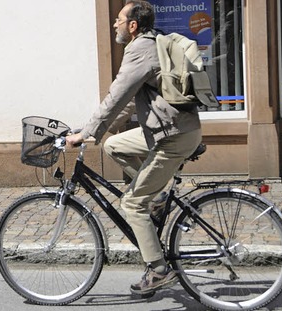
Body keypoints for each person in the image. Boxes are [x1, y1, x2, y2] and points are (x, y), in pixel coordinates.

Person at [65, 0, 202, 295]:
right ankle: (157, 196)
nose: (114, 23)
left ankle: (158, 270)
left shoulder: (139, 49)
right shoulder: (150, 45)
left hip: (173, 135)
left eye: (118, 19)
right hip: (172, 128)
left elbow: (116, 95)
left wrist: (86, 133)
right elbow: (127, 101)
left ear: (132, 26)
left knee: (131, 204)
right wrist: (92, 133)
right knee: (113, 145)